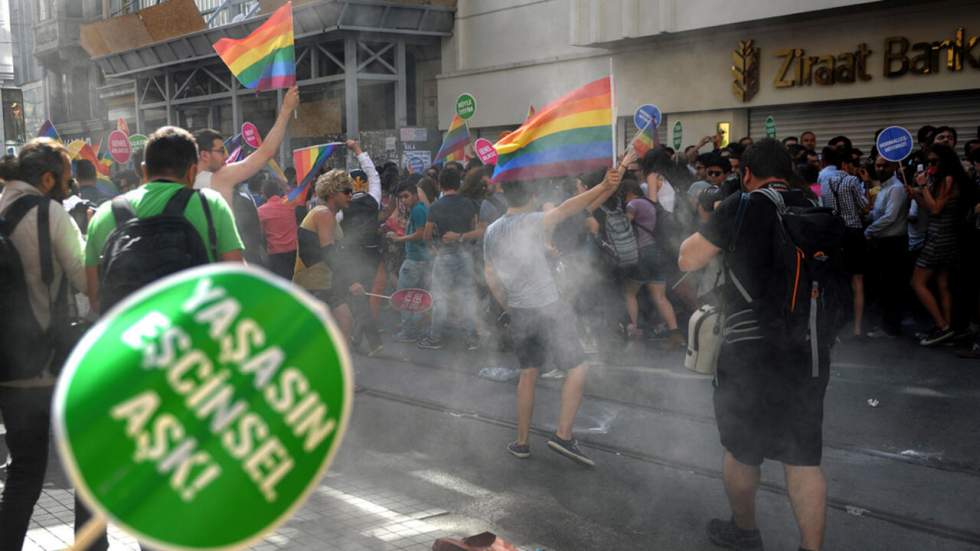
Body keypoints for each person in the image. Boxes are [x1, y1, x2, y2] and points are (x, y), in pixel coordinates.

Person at [679, 138, 833, 551]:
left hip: (751, 351)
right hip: (810, 347)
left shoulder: (743, 205)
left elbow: (688, 259)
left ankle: (745, 532)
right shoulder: (814, 204)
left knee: (743, 450)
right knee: (803, 458)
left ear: (746, 172)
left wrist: (711, 218)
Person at [485, 166, 623, 468]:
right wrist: (601, 184)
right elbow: (566, 208)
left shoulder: (492, 230)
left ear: (503, 194)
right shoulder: (533, 221)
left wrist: (508, 307)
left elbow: (491, 276)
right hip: (548, 307)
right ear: (534, 196)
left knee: (528, 372)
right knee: (578, 366)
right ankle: (563, 435)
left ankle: (521, 442)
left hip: (520, 310)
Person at [0, 139, 93, 551]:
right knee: (87, 462)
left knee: (23, 473)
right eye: (67, 181)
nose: (69, 190)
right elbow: (85, 281)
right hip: (48, 364)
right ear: (48, 178)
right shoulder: (49, 213)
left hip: (6, 369)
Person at [85, 126, 244, 312]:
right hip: (192, 333)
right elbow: (236, 280)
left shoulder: (104, 215)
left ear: (144, 170)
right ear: (193, 171)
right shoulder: (210, 205)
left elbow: (95, 300)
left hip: (132, 337)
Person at [192, 87, 299, 207]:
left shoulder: (180, 184)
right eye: (221, 151)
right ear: (204, 155)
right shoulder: (217, 178)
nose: (227, 155)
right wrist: (286, 110)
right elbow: (266, 152)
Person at [908, 144, 966, 346]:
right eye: (928, 162)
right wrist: (916, 194)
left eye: (934, 161)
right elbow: (929, 206)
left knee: (917, 283)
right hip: (945, 236)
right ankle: (946, 330)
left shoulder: (948, 179)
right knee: (942, 284)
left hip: (939, 237)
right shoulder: (943, 179)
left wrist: (923, 187)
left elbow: (935, 209)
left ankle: (942, 326)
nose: (931, 165)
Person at [417, 167, 481, 350]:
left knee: (440, 297)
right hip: (465, 254)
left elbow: (427, 235)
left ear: (440, 184)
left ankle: (435, 338)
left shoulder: (436, 206)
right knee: (468, 296)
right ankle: (472, 339)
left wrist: (434, 250)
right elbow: (474, 229)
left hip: (444, 255)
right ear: (458, 183)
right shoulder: (469, 204)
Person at [293, 170, 362, 339]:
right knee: (336, 326)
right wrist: (351, 281)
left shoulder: (327, 214)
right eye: (346, 191)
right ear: (332, 193)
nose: (350, 196)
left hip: (323, 281)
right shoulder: (323, 214)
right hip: (314, 284)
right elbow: (329, 251)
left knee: (344, 322)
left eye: (351, 191)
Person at [820, 147, 868, 338]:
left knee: (836, 280)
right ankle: (857, 328)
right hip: (854, 232)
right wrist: (866, 184)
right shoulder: (852, 180)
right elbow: (864, 207)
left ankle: (834, 327)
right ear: (846, 164)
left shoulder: (825, 181)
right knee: (857, 280)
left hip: (834, 233)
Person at [864, 155, 909, 337]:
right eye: (878, 165)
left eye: (885, 166)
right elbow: (876, 213)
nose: (880, 169)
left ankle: (891, 327)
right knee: (884, 286)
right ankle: (887, 325)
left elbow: (890, 217)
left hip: (893, 243)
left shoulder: (896, 188)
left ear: (893, 167)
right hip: (883, 242)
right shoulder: (883, 188)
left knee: (892, 287)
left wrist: (868, 230)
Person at [388, 182, 430, 342]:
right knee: (418, 297)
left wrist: (399, 239)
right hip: (422, 259)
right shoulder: (419, 209)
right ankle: (415, 329)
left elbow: (420, 234)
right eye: (401, 198)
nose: (404, 200)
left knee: (404, 296)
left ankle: (408, 332)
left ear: (415, 195)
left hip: (415, 260)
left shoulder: (418, 210)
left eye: (406, 196)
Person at [257, 179, 298, 280]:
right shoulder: (290, 203)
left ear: (264, 194)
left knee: (281, 283)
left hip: (275, 253)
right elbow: (292, 191)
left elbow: (261, 234)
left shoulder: (261, 211)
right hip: (294, 250)